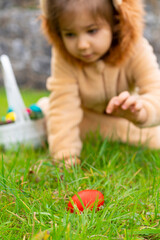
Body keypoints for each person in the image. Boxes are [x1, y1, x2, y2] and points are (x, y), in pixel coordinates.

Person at [38, 0, 160, 167]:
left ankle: (116, 131)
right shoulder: (64, 57)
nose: (82, 45)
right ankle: (43, 112)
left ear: (115, 22)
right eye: (70, 34)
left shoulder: (136, 48)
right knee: (53, 117)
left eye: (92, 31)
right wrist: (65, 156)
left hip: (126, 119)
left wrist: (141, 112)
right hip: (84, 117)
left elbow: (156, 91)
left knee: (155, 139)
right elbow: (64, 107)